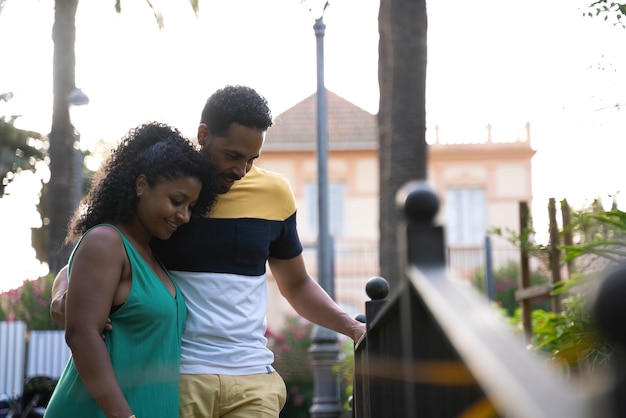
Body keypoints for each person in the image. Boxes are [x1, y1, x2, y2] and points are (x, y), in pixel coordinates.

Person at [51, 85, 366, 418]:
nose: (241, 170)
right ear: (203, 135)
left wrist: (352, 327)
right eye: (232, 156)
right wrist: (63, 294)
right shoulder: (168, 194)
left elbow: (298, 284)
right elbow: (94, 254)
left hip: (253, 377)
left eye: (251, 159)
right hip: (181, 377)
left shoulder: (275, 193)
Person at [45, 122, 217, 418]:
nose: (185, 216)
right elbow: (81, 334)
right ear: (141, 186)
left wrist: (61, 291)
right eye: (176, 201)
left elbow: (73, 275)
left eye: (191, 206)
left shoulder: (152, 255)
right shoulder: (107, 241)